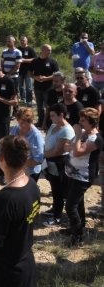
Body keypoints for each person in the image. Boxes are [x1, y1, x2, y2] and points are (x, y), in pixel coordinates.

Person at [0, 135, 41, 287]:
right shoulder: (32, 186)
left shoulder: (4, 200)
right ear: (25, 158)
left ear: (1, 158)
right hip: (24, 268)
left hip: (1, 275)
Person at [62, 108, 103, 247]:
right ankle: (78, 227)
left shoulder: (96, 139)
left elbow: (78, 152)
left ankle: (77, 236)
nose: (80, 123)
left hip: (83, 176)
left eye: (83, 120)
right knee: (78, 203)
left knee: (70, 206)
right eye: (80, 119)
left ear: (92, 122)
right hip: (72, 173)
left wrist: (78, 136)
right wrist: (77, 140)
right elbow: (66, 147)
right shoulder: (83, 134)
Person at [41, 104, 75, 228]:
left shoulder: (66, 130)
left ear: (62, 115)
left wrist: (41, 155)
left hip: (58, 164)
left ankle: (57, 217)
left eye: (53, 116)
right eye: (50, 116)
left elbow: (57, 151)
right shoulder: (53, 126)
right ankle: (55, 208)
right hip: (49, 163)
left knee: (58, 190)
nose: (51, 118)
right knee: (53, 188)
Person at [10, 107, 44, 183]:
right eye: (19, 122)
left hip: (30, 173)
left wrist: (18, 163)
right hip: (17, 170)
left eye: (22, 123)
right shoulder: (16, 128)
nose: (20, 125)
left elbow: (38, 160)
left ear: (31, 121)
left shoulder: (36, 136)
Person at [28, 44, 59, 127]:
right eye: (48, 50)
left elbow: (57, 74)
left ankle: (49, 122)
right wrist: (35, 77)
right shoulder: (35, 61)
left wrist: (46, 78)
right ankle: (40, 121)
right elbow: (29, 72)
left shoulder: (52, 61)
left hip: (48, 88)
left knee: (48, 106)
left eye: (50, 50)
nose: (50, 52)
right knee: (39, 106)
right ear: (43, 50)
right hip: (37, 87)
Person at [1, 35, 22, 119]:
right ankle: (7, 110)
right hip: (5, 75)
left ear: (14, 42)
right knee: (5, 93)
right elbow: (2, 63)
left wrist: (8, 74)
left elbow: (17, 66)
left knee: (14, 93)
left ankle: (15, 110)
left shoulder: (18, 52)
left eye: (9, 41)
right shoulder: (4, 52)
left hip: (13, 76)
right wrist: (3, 73)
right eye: (7, 41)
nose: (8, 43)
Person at [17, 36, 37, 107]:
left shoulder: (30, 49)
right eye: (21, 40)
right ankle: (23, 99)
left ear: (27, 41)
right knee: (21, 86)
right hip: (19, 71)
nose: (22, 41)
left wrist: (24, 60)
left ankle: (29, 100)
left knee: (29, 87)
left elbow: (34, 59)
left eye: (24, 40)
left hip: (28, 71)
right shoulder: (18, 49)